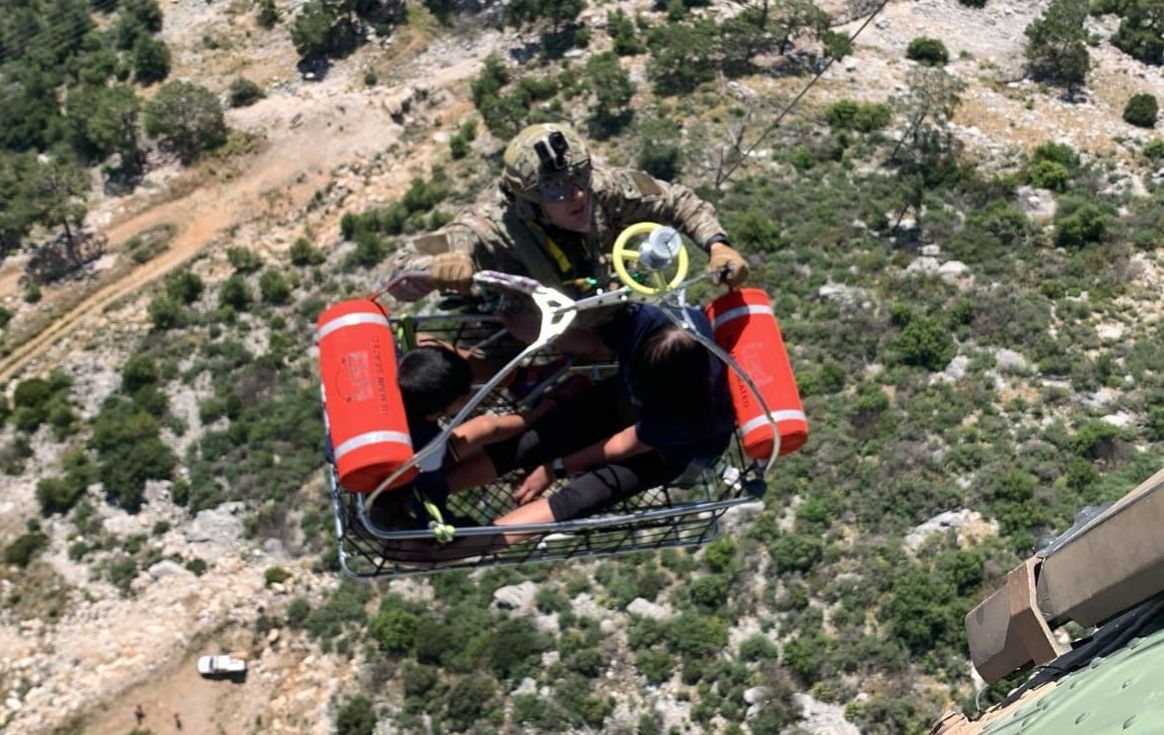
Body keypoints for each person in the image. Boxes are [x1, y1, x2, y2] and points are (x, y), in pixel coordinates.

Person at [433, 302, 736, 556]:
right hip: (620, 402)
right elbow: (596, 343)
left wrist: (554, 468)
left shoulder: (691, 414)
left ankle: (440, 552)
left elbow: (623, 446)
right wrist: (540, 333)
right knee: (533, 442)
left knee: (578, 498)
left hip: (659, 454)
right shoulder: (656, 323)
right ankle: (424, 493)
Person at [384, 122, 749, 317]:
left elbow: (677, 201)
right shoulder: (492, 226)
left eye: (579, 178)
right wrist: (439, 268)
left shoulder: (606, 189)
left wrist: (719, 247)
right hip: (531, 331)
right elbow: (399, 271)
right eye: (555, 189)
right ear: (530, 200)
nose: (576, 196)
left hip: (605, 311)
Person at [368, 344, 567, 533]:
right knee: (484, 427)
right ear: (439, 409)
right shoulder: (430, 448)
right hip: (408, 480)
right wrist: (452, 521)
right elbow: (432, 489)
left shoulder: (394, 387)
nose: (470, 393)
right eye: (464, 397)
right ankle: (542, 412)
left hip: (380, 466)